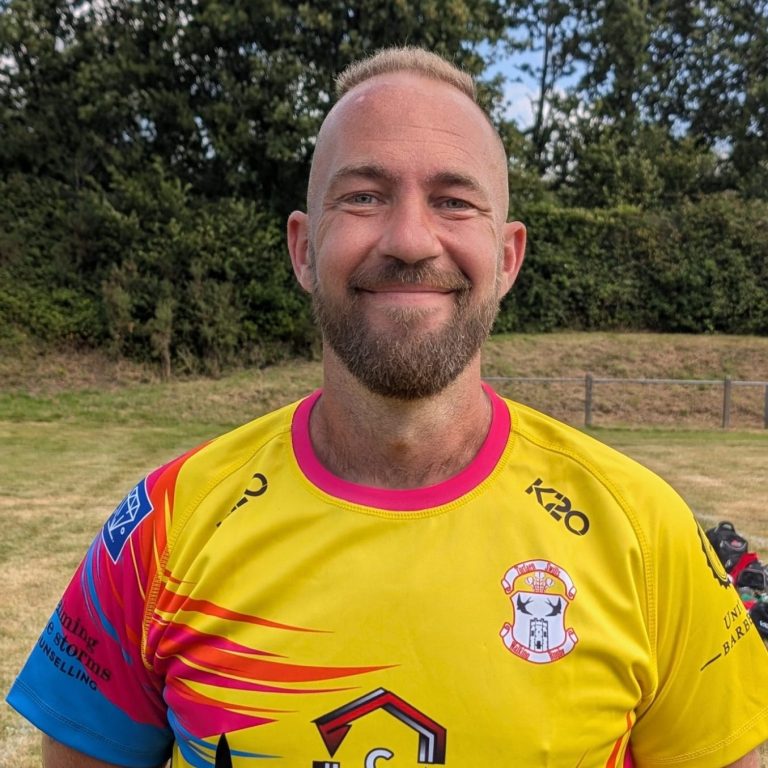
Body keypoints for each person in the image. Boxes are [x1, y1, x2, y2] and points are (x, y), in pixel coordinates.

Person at [6, 46, 768, 768]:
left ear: (508, 258)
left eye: (454, 201)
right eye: (365, 196)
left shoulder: (646, 530)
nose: (409, 240)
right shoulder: (163, 527)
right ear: (304, 249)